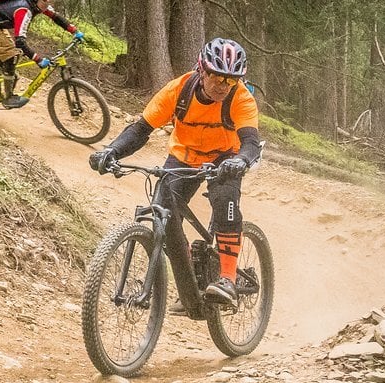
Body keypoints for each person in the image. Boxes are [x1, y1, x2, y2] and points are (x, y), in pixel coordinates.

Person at [89, 38, 262, 311]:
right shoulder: (178, 90)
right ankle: (191, 281)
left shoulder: (240, 98)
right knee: (163, 214)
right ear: (202, 70)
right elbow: (141, 129)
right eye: (217, 77)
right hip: (184, 156)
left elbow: (251, 141)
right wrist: (111, 151)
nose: (223, 86)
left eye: (231, 80)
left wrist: (241, 160)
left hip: (226, 158)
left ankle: (228, 278)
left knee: (225, 198)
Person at [0, 0, 85, 109]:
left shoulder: (38, 4)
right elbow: (20, 42)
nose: (48, 3)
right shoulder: (24, 10)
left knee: (10, 56)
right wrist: (38, 60)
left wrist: (74, 31)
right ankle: (8, 97)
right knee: (12, 55)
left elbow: (56, 17)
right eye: (45, 0)